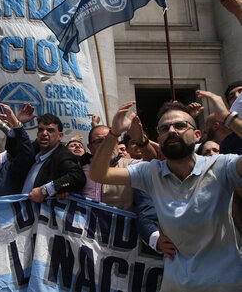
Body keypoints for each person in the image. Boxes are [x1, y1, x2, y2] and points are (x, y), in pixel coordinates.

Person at [90, 93, 242, 291]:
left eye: (180, 126)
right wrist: (114, 133)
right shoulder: (150, 173)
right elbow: (99, 174)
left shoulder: (221, 166)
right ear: (158, 139)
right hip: (175, 286)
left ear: (197, 135)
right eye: (164, 128)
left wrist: (228, 117)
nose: (172, 131)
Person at [21, 114, 86, 203]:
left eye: (50, 130)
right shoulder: (34, 150)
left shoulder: (63, 155)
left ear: (60, 136)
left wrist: (47, 190)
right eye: (41, 130)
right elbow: (13, 151)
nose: (44, 133)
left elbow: (78, 177)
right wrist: (17, 124)